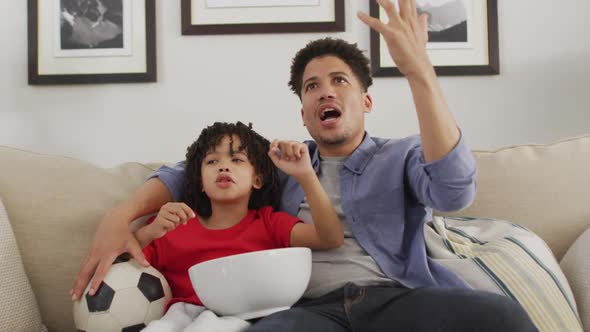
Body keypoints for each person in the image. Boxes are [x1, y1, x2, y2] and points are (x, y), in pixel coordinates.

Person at [72, 0, 537, 330]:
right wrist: (120, 216)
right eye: (312, 86)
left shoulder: (401, 155)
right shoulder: (282, 164)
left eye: (339, 81)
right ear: (303, 112)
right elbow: (188, 172)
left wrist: (420, 74)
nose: (326, 91)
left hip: (397, 298)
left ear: (366, 100)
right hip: (306, 309)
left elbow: (454, 191)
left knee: (502, 317)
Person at [134, 121, 343, 331]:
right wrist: (151, 231)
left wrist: (306, 176)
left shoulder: (269, 223)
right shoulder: (175, 224)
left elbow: (330, 237)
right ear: (200, 182)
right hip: (184, 313)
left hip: (246, 316)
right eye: (212, 161)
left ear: (257, 180)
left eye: (237, 159)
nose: (223, 166)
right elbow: (126, 255)